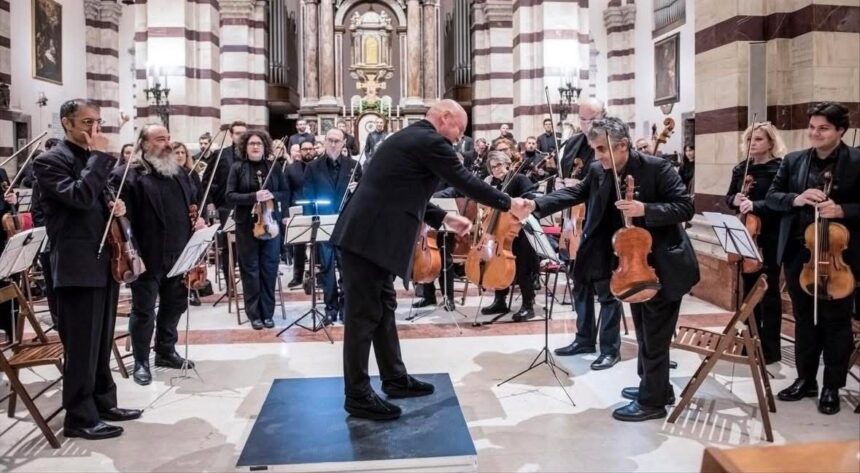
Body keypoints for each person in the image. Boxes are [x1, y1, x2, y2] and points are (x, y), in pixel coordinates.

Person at [331, 99, 530, 421]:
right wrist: (507, 202)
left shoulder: (411, 139)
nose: (459, 137)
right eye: (459, 129)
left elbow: (401, 191)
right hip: (367, 239)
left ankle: (394, 378)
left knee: (382, 309)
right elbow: (465, 180)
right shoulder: (428, 140)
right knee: (362, 316)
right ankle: (357, 395)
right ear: (445, 117)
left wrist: (445, 219)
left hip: (371, 238)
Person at [517, 116, 699, 421]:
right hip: (632, 266)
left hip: (663, 266)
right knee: (644, 331)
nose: (598, 156)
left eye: (602, 149)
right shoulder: (599, 170)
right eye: (595, 149)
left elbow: (685, 206)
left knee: (654, 336)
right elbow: (577, 193)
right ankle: (657, 387)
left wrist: (647, 210)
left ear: (623, 145)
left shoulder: (657, 168)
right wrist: (538, 204)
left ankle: (651, 402)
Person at [33, 98, 141, 440]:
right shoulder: (50, 161)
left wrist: (115, 205)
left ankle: (102, 402)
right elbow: (77, 197)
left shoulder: (89, 161)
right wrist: (100, 159)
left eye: (98, 122)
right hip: (76, 265)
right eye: (87, 123)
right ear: (67, 123)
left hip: (104, 260)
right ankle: (79, 417)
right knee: (81, 345)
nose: (95, 129)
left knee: (101, 339)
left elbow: (94, 200)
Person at [766, 101, 859, 415]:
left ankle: (832, 385)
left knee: (836, 323)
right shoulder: (793, 162)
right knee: (805, 320)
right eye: (812, 127)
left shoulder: (857, 160)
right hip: (799, 256)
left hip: (840, 260)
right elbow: (772, 198)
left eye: (824, 128)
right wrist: (797, 198)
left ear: (841, 130)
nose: (815, 133)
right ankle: (806, 380)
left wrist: (843, 210)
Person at [115, 125, 206, 385]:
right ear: (143, 144)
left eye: (167, 138)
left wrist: (197, 220)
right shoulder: (128, 177)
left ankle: (165, 351)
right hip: (146, 255)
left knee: (175, 304)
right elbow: (123, 222)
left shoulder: (179, 173)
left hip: (179, 254)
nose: (166, 144)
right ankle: (141, 361)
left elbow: (192, 204)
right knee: (144, 311)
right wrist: (132, 253)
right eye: (159, 139)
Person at [552, 99, 620, 370]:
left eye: (590, 120)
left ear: (603, 117)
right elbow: (565, 176)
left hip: (602, 223)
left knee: (606, 289)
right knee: (579, 282)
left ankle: (610, 348)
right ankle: (584, 338)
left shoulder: (610, 144)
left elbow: (606, 181)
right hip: (575, 224)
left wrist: (577, 186)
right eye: (581, 119)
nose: (585, 125)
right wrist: (558, 185)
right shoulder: (571, 144)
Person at [724, 122, 786, 364]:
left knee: (768, 294)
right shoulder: (741, 169)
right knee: (747, 293)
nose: (753, 144)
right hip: (745, 235)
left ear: (771, 142)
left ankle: (770, 348)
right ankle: (747, 339)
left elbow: (780, 201)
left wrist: (756, 206)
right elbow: (729, 197)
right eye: (749, 139)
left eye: (758, 139)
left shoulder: (779, 169)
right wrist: (735, 199)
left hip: (768, 235)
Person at [226, 130, 290, 330]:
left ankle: (268, 313)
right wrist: (253, 196)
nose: (255, 147)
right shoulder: (237, 168)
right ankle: (254, 314)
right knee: (250, 270)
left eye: (259, 144)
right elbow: (229, 196)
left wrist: (272, 195)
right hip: (246, 225)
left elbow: (285, 192)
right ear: (245, 147)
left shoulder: (274, 167)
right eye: (252, 144)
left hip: (270, 223)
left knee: (269, 268)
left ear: (265, 147)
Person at [302, 129, 362, 322]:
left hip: (346, 225)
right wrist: (311, 224)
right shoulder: (312, 167)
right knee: (327, 269)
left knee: (346, 269)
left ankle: (346, 307)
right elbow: (308, 196)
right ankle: (330, 307)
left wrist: (357, 191)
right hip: (324, 224)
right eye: (330, 140)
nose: (333, 144)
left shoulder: (354, 167)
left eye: (337, 141)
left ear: (344, 143)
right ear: (324, 141)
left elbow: (363, 199)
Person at [478, 151, 540, 321]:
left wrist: (512, 200)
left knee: (522, 268)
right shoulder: (494, 185)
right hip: (500, 232)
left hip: (520, 232)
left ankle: (528, 305)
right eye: (492, 167)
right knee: (497, 263)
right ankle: (500, 301)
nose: (495, 170)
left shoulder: (519, 179)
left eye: (498, 165)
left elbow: (530, 199)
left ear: (507, 164)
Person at [202, 121, 246, 288]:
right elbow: (207, 181)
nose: (241, 136)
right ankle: (230, 286)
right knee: (228, 249)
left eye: (244, 133)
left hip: (247, 207)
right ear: (231, 135)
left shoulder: (252, 154)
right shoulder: (221, 155)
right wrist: (210, 203)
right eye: (238, 133)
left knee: (246, 247)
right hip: (226, 206)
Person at [284, 140, 316, 288]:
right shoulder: (291, 169)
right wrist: (286, 213)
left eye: (310, 149)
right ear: (300, 151)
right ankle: (298, 276)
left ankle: (318, 275)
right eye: (305, 149)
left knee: (319, 244)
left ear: (314, 150)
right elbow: (286, 192)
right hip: (298, 209)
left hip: (317, 208)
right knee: (299, 245)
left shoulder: (320, 167)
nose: (308, 151)